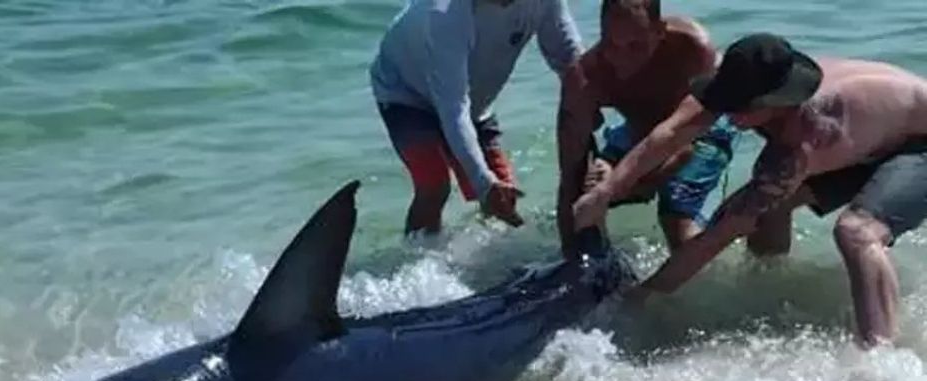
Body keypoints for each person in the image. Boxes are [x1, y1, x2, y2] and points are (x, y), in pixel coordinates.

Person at [575, 33, 927, 347]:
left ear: (773, 103)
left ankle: (879, 360)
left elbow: (723, 230)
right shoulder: (741, 79)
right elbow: (667, 136)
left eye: (741, 108)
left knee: (856, 233)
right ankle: (771, 288)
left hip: (916, 142)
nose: (729, 115)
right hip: (872, 136)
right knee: (771, 207)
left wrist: (644, 293)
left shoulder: (804, 140)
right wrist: (605, 192)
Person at [370, 0, 583, 237]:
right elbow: (454, 108)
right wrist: (483, 184)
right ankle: (417, 263)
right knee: (434, 184)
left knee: (504, 193)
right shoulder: (444, 15)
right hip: (406, 94)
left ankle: (486, 259)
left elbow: (569, 59)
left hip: (474, 101)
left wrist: (588, 106)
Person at [555, 0, 739, 258]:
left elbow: (682, 145)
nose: (622, 59)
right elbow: (568, 179)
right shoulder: (586, 78)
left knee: (676, 219)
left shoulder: (692, 49)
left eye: (636, 46)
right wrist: (573, 259)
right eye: (611, 44)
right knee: (586, 187)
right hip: (636, 130)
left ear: (659, 31)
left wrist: (631, 182)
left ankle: (705, 280)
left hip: (700, 129)